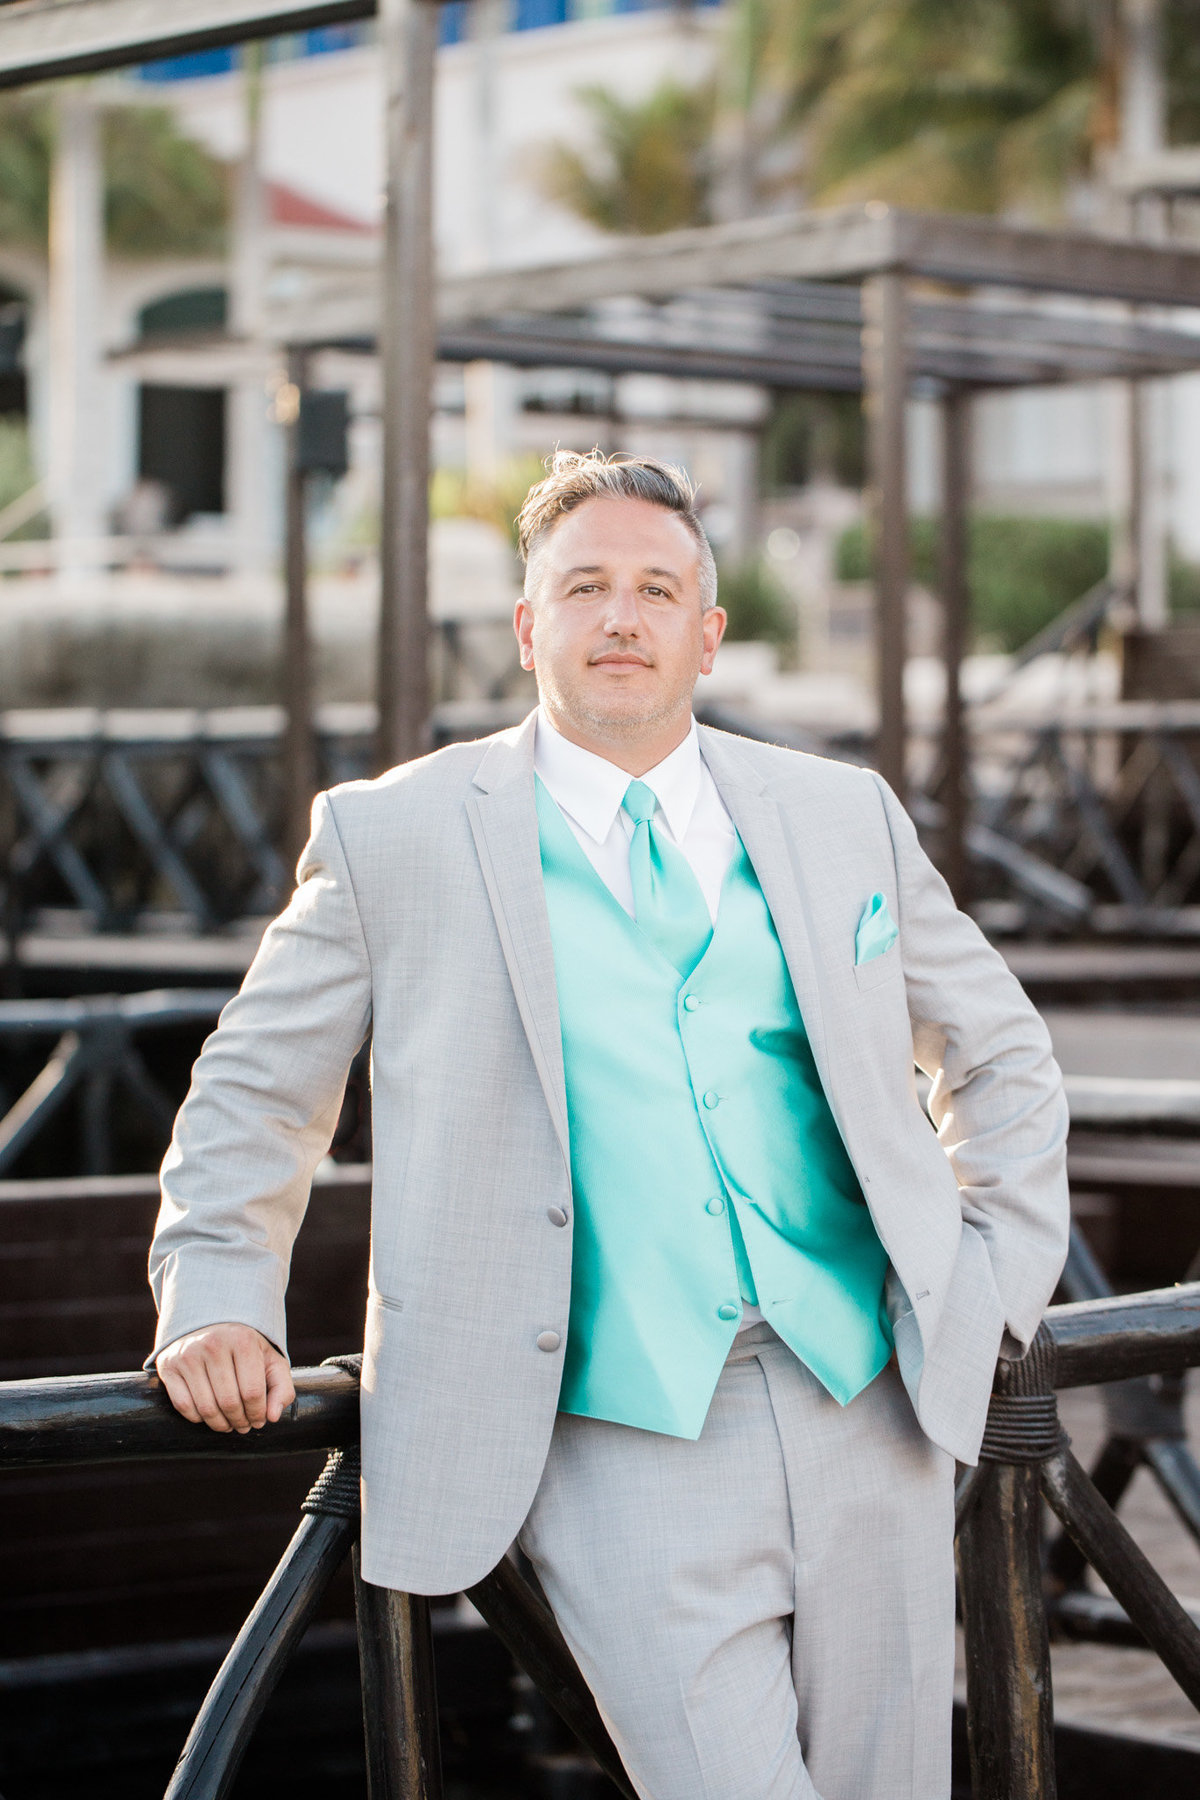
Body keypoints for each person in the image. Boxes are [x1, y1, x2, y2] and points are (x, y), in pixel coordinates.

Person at [148, 449, 1069, 1800]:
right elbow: (254, 1085)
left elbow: (1001, 1055)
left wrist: (986, 1289)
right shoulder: (391, 836)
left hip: (871, 1404)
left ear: (709, 629)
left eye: (656, 587)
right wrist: (219, 1292)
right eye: (584, 587)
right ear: (531, 628)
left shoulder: (839, 812)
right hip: (616, 1436)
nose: (620, 617)